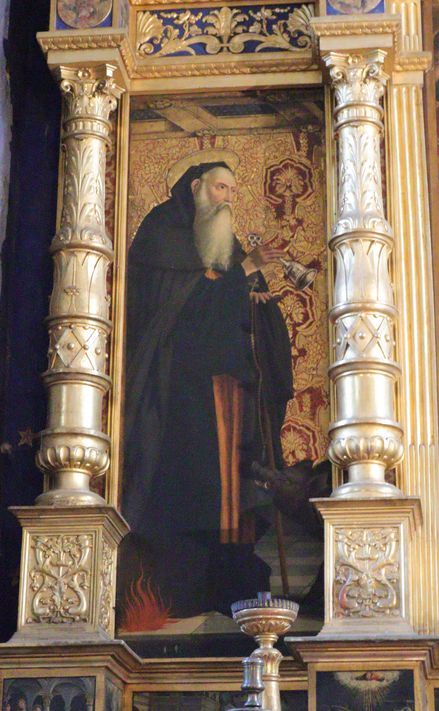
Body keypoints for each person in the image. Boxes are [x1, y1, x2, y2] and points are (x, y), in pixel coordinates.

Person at [121, 157, 293, 619]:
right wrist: (243, 274)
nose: (227, 199)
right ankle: (187, 583)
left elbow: (228, 304)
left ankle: (231, 578)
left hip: (231, 388)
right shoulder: (164, 232)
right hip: (179, 390)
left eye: (232, 191)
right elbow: (180, 311)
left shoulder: (224, 241)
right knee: (196, 487)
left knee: (232, 487)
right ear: (196, 186)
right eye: (220, 188)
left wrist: (256, 299)